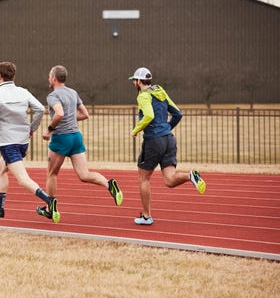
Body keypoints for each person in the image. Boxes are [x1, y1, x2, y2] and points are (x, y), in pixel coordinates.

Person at [36, 65, 123, 220]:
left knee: (52, 174)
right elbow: (85, 114)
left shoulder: (52, 96)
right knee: (84, 174)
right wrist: (70, 118)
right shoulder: (73, 92)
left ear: (54, 78)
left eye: (50, 75)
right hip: (76, 137)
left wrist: (49, 129)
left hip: (61, 138)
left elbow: (59, 114)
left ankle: (51, 208)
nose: (48, 78)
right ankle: (109, 184)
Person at [129, 67, 206, 225]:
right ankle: (190, 176)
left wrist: (136, 130)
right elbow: (178, 113)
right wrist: (166, 129)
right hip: (169, 139)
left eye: (134, 81)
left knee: (143, 178)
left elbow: (149, 115)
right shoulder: (160, 90)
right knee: (169, 180)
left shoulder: (143, 96)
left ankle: (146, 216)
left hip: (153, 141)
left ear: (138, 81)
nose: (133, 84)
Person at [0, 61, 60, 223]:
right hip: (23, 141)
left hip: (8, 143)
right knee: (0, 169)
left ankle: (49, 200)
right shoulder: (23, 92)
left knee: (22, 179)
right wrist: (32, 128)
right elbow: (40, 109)